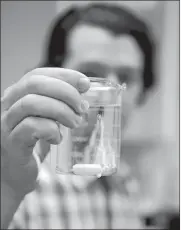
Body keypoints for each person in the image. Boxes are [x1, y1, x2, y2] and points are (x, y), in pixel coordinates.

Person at [1, 3, 155, 229]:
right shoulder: (19, 180)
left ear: (143, 90)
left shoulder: (125, 182)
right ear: (54, 76)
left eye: (126, 77)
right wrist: (6, 192)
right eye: (90, 75)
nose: (107, 95)